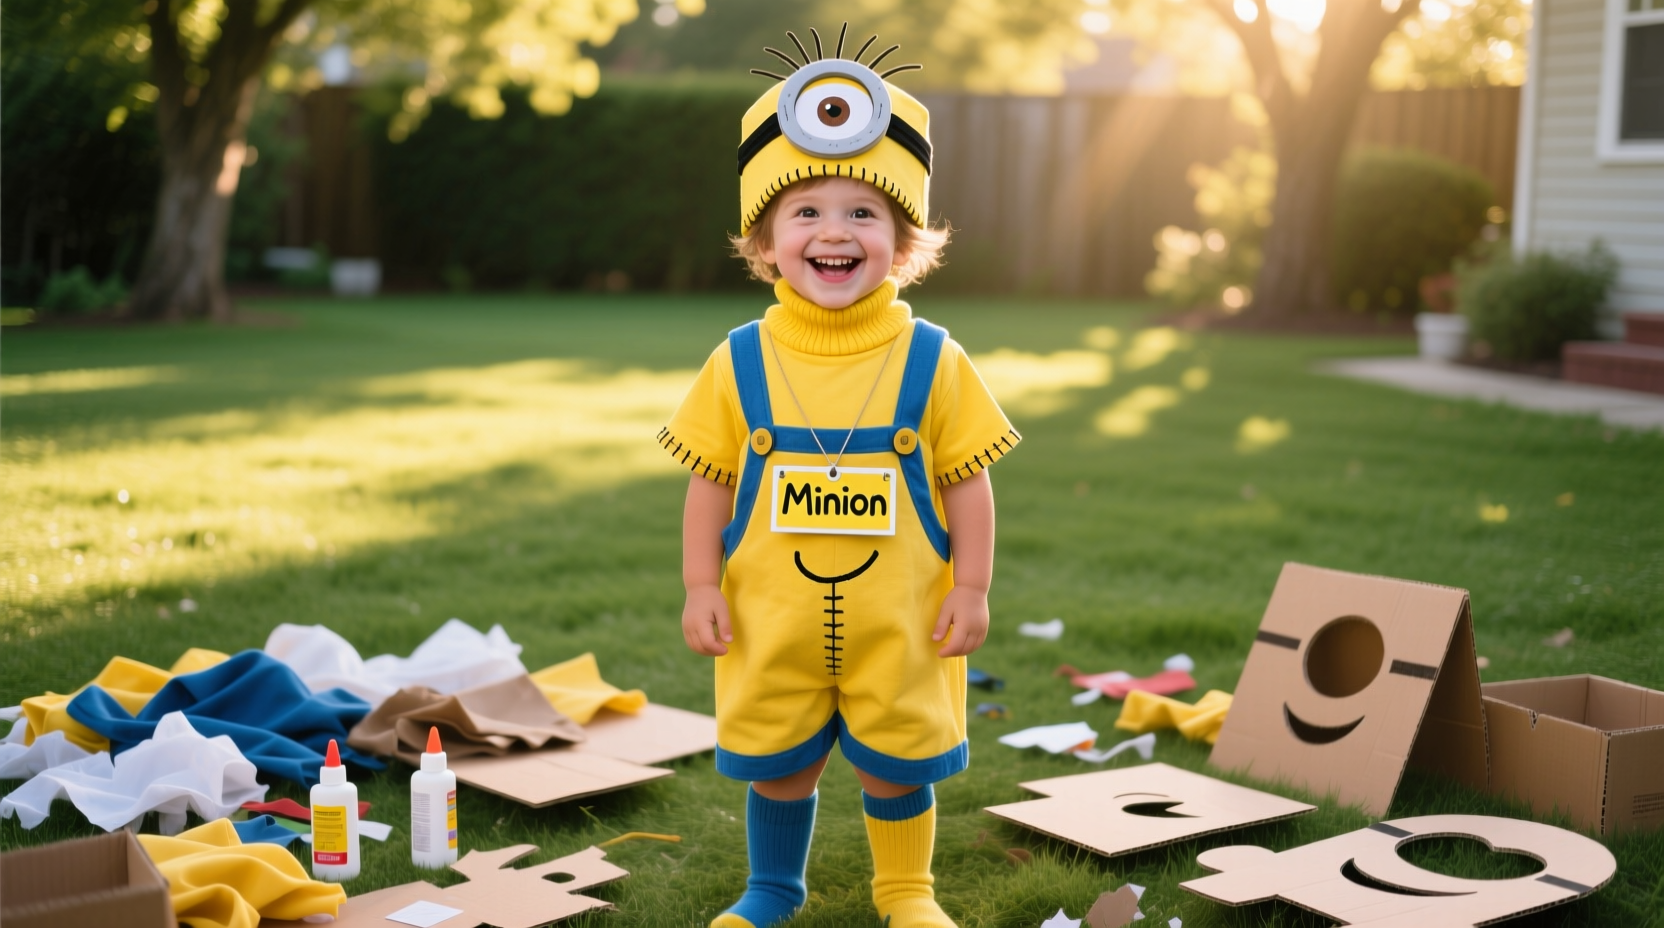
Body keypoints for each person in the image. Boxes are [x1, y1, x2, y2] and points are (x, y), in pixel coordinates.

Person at [659, 26, 1020, 928]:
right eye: (806, 211)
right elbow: (709, 481)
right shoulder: (738, 359)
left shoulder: (933, 359)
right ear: (766, 240)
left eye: (864, 213)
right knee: (782, 759)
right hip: (770, 613)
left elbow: (969, 480)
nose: (834, 231)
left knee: (895, 758)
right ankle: (772, 890)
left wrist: (972, 585)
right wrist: (701, 581)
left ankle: (907, 891)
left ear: (902, 241)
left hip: (898, 614)